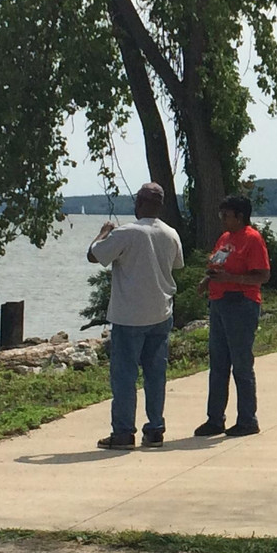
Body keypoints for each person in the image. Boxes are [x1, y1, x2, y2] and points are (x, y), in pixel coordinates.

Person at [87, 182, 184, 450]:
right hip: (161, 312)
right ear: (161, 205)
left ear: (138, 203)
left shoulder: (127, 232)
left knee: (124, 376)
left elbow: (93, 256)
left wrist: (103, 233)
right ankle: (155, 430)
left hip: (129, 314)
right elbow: (177, 264)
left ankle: (123, 432)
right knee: (156, 375)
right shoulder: (171, 233)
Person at [194, 196, 271, 438]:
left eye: (226, 215)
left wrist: (231, 279)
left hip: (241, 304)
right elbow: (218, 265)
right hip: (218, 303)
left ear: (240, 216)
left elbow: (262, 276)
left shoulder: (252, 239)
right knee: (218, 365)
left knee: (241, 364)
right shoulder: (225, 238)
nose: (222, 219)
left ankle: (248, 420)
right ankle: (215, 419)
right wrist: (209, 279)